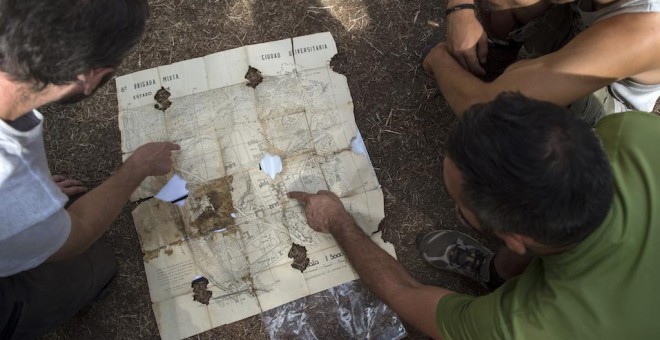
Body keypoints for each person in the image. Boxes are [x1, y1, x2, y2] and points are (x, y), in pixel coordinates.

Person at [289, 93, 660, 339]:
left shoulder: (528, 326)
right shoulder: (632, 132)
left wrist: (336, 220)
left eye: (460, 206)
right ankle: (496, 273)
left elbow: (406, 294)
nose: (456, 208)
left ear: (515, 238)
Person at [0, 1, 179, 338]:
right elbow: (74, 236)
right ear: (91, 77)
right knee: (95, 264)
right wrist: (135, 168)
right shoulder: (14, 189)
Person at [422, 0, 660, 125]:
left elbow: (486, 111)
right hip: (583, 34)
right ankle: (501, 55)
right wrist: (460, 9)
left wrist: (440, 60)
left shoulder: (645, 30)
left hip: (611, 98)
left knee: (518, 118)